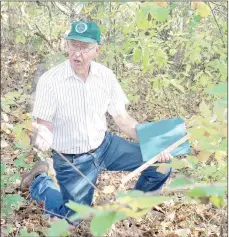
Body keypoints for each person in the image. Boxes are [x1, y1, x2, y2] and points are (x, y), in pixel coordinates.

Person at [20, 21, 172, 225]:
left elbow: (123, 120)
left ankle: (129, 211)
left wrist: (154, 145)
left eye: (84, 48)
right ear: (67, 45)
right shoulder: (50, 81)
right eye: (73, 45)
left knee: (161, 165)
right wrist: (43, 136)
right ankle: (40, 181)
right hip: (72, 159)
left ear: (97, 50)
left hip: (105, 146)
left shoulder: (105, 76)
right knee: (73, 219)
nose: (77, 54)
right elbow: (44, 125)